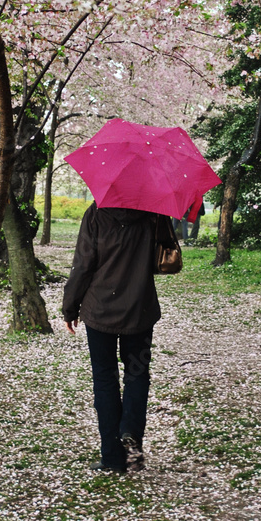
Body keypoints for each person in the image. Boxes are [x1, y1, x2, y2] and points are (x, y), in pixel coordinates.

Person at [63, 203, 161, 474]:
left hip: (100, 311)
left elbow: (83, 264)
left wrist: (70, 307)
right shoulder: (152, 212)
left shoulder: (96, 213)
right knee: (137, 374)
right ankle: (130, 431)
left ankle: (113, 457)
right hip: (139, 309)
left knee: (105, 379)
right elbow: (160, 257)